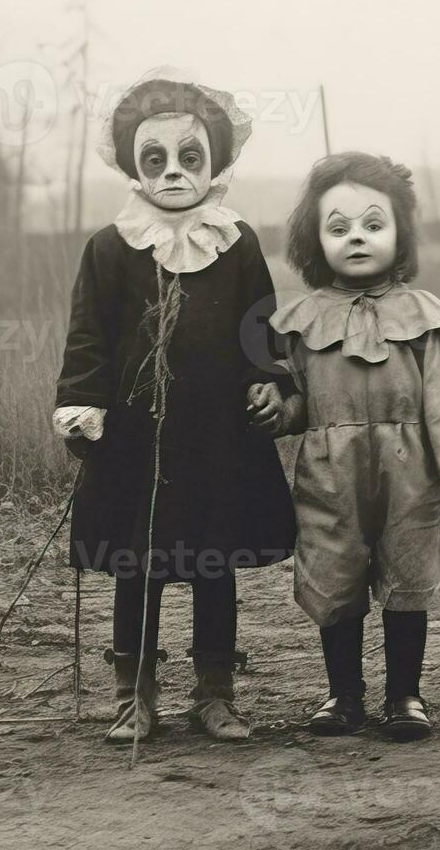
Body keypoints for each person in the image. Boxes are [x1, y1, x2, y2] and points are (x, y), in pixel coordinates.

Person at [54, 75, 296, 744]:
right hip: (136, 441)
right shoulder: (111, 247)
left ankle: (214, 694)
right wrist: (81, 402)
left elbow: (260, 326)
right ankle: (134, 695)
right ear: (131, 163)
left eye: (189, 157)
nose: (171, 172)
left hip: (217, 439)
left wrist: (271, 381)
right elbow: (87, 335)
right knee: (139, 567)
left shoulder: (236, 242)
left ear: (214, 162)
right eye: (153, 158)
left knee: (214, 565)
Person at [252, 151, 440, 740]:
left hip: (411, 472)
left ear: (400, 232)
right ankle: (344, 696)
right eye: (339, 227)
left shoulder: (422, 316)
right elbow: (302, 401)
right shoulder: (302, 322)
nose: (357, 237)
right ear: (315, 239)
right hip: (330, 475)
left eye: (372, 224)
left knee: (408, 575)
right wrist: (277, 411)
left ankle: (405, 697)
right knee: (335, 574)